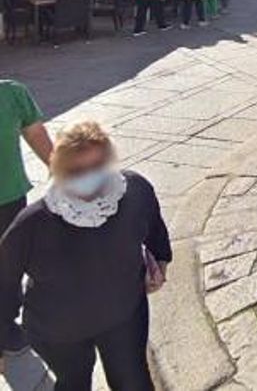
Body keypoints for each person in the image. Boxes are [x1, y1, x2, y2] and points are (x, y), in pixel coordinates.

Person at [0, 122, 170, 391]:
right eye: (77, 171)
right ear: (59, 170)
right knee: (74, 383)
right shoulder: (32, 223)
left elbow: (156, 231)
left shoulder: (135, 191)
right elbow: (4, 280)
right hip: (59, 331)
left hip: (124, 315)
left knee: (133, 381)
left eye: (98, 167)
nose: (89, 177)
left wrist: (160, 264)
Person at [0, 80, 52, 354]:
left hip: (8, 197)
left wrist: (65, 174)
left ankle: (5, 324)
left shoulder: (12, 94)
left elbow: (36, 136)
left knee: (9, 266)